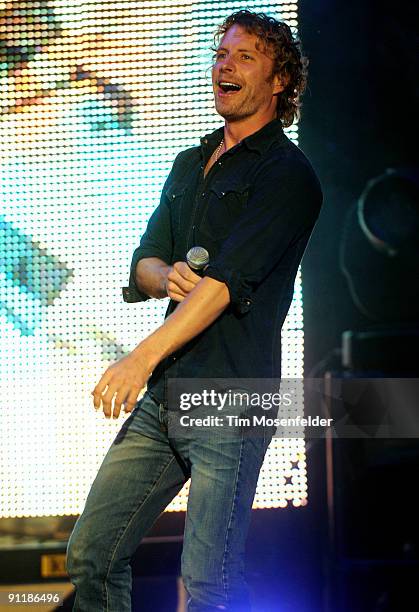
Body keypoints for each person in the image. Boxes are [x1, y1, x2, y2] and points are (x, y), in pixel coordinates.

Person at [66, 9, 323, 612]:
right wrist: (166, 277)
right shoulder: (189, 163)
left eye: (244, 57)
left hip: (231, 395)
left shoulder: (288, 175)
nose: (223, 65)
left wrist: (137, 359)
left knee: (210, 585)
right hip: (170, 390)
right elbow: (145, 263)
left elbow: (226, 285)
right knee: (91, 555)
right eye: (220, 54)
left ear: (279, 81)